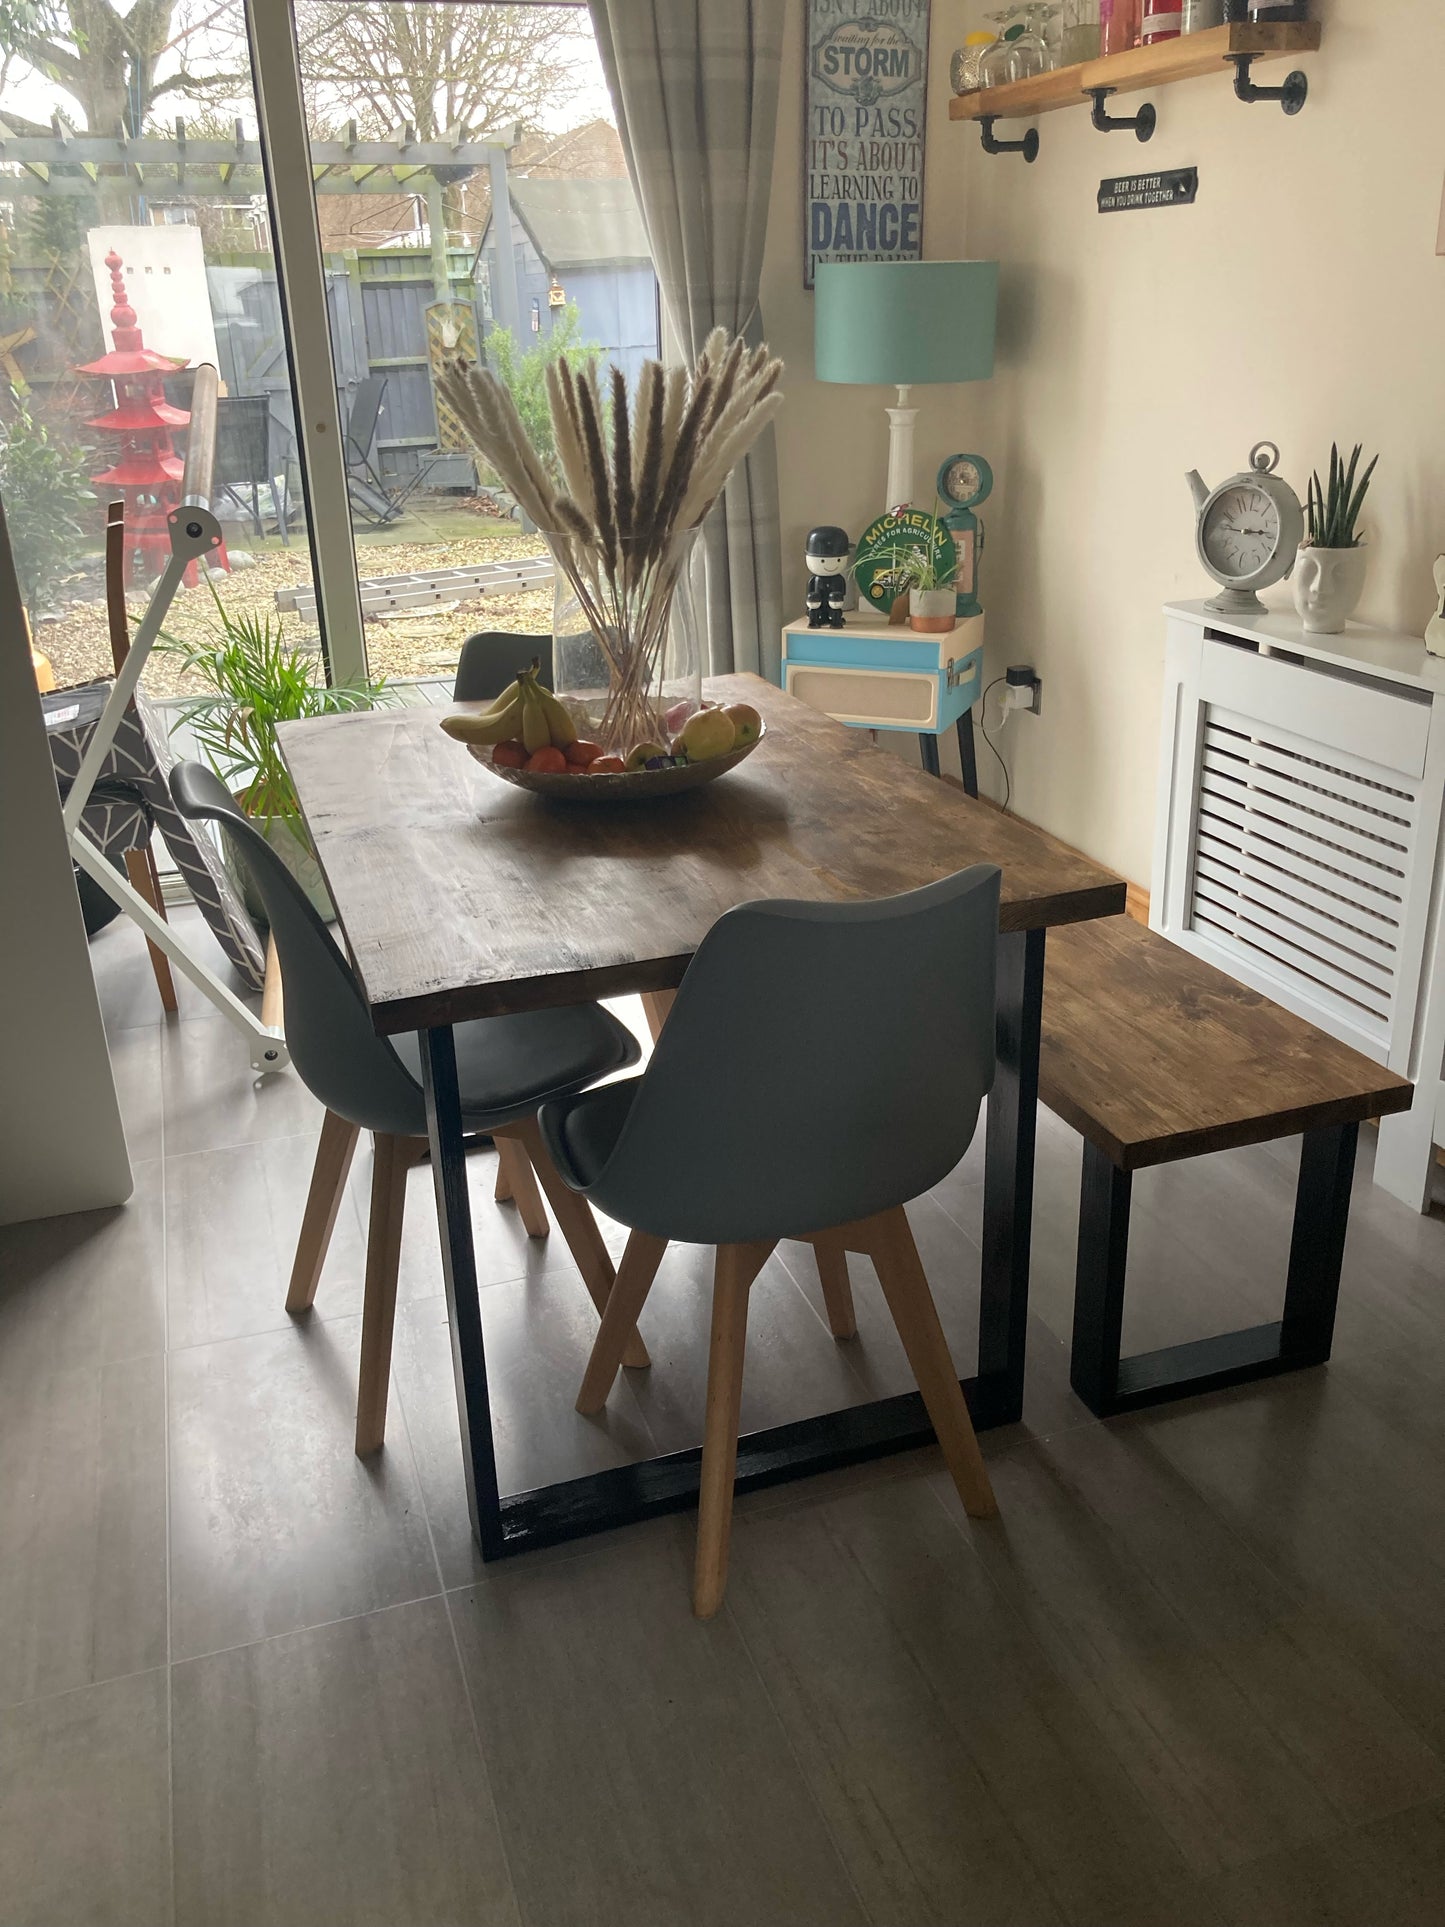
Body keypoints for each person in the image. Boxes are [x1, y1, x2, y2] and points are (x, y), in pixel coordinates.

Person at [805, 525, 851, 629]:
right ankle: (815, 621)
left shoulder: (838, 579)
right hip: (817, 606)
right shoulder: (814, 580)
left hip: (834, 605)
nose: (830, 566)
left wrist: (838, 599)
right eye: (822, 560)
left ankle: (835, 621)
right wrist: (810, 603)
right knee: (815, 611)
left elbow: (842, 593)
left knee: (836, 611)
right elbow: (809, 593)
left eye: (838, 560)